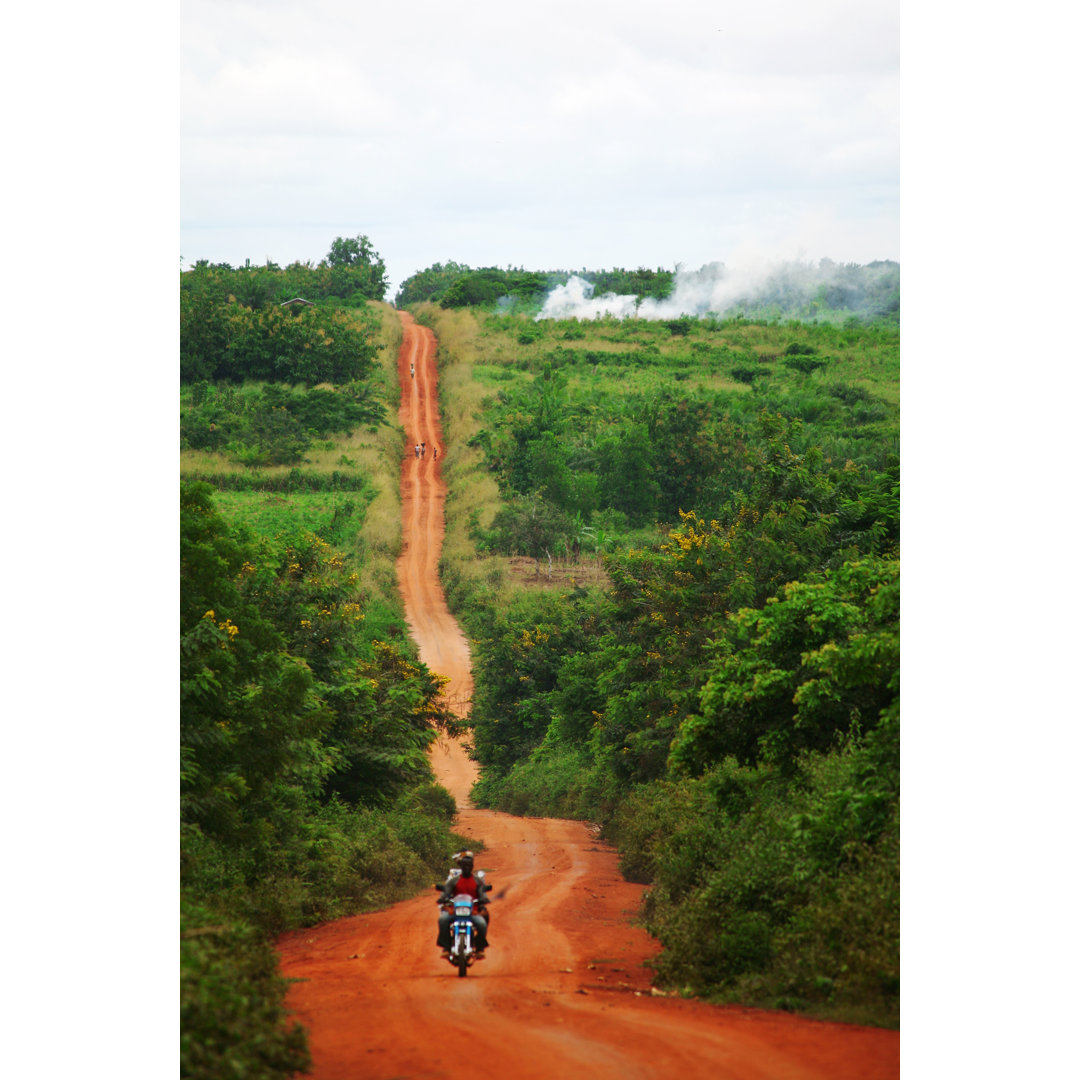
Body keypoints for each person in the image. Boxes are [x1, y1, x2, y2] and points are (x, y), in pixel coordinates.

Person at [436, 850, 490, 957]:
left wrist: (482, 903)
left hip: (472, 911)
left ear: (472, 866)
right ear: (461, 866)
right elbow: (446, 893)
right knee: (443, 920)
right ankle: (446, 947)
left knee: (482, 924)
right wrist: (443, 900)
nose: (467, 867)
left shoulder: (477, 881)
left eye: (469, 865)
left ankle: (479, 948)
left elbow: (482, 895)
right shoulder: (454, 881)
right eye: (464, 865)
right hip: (455, 911)